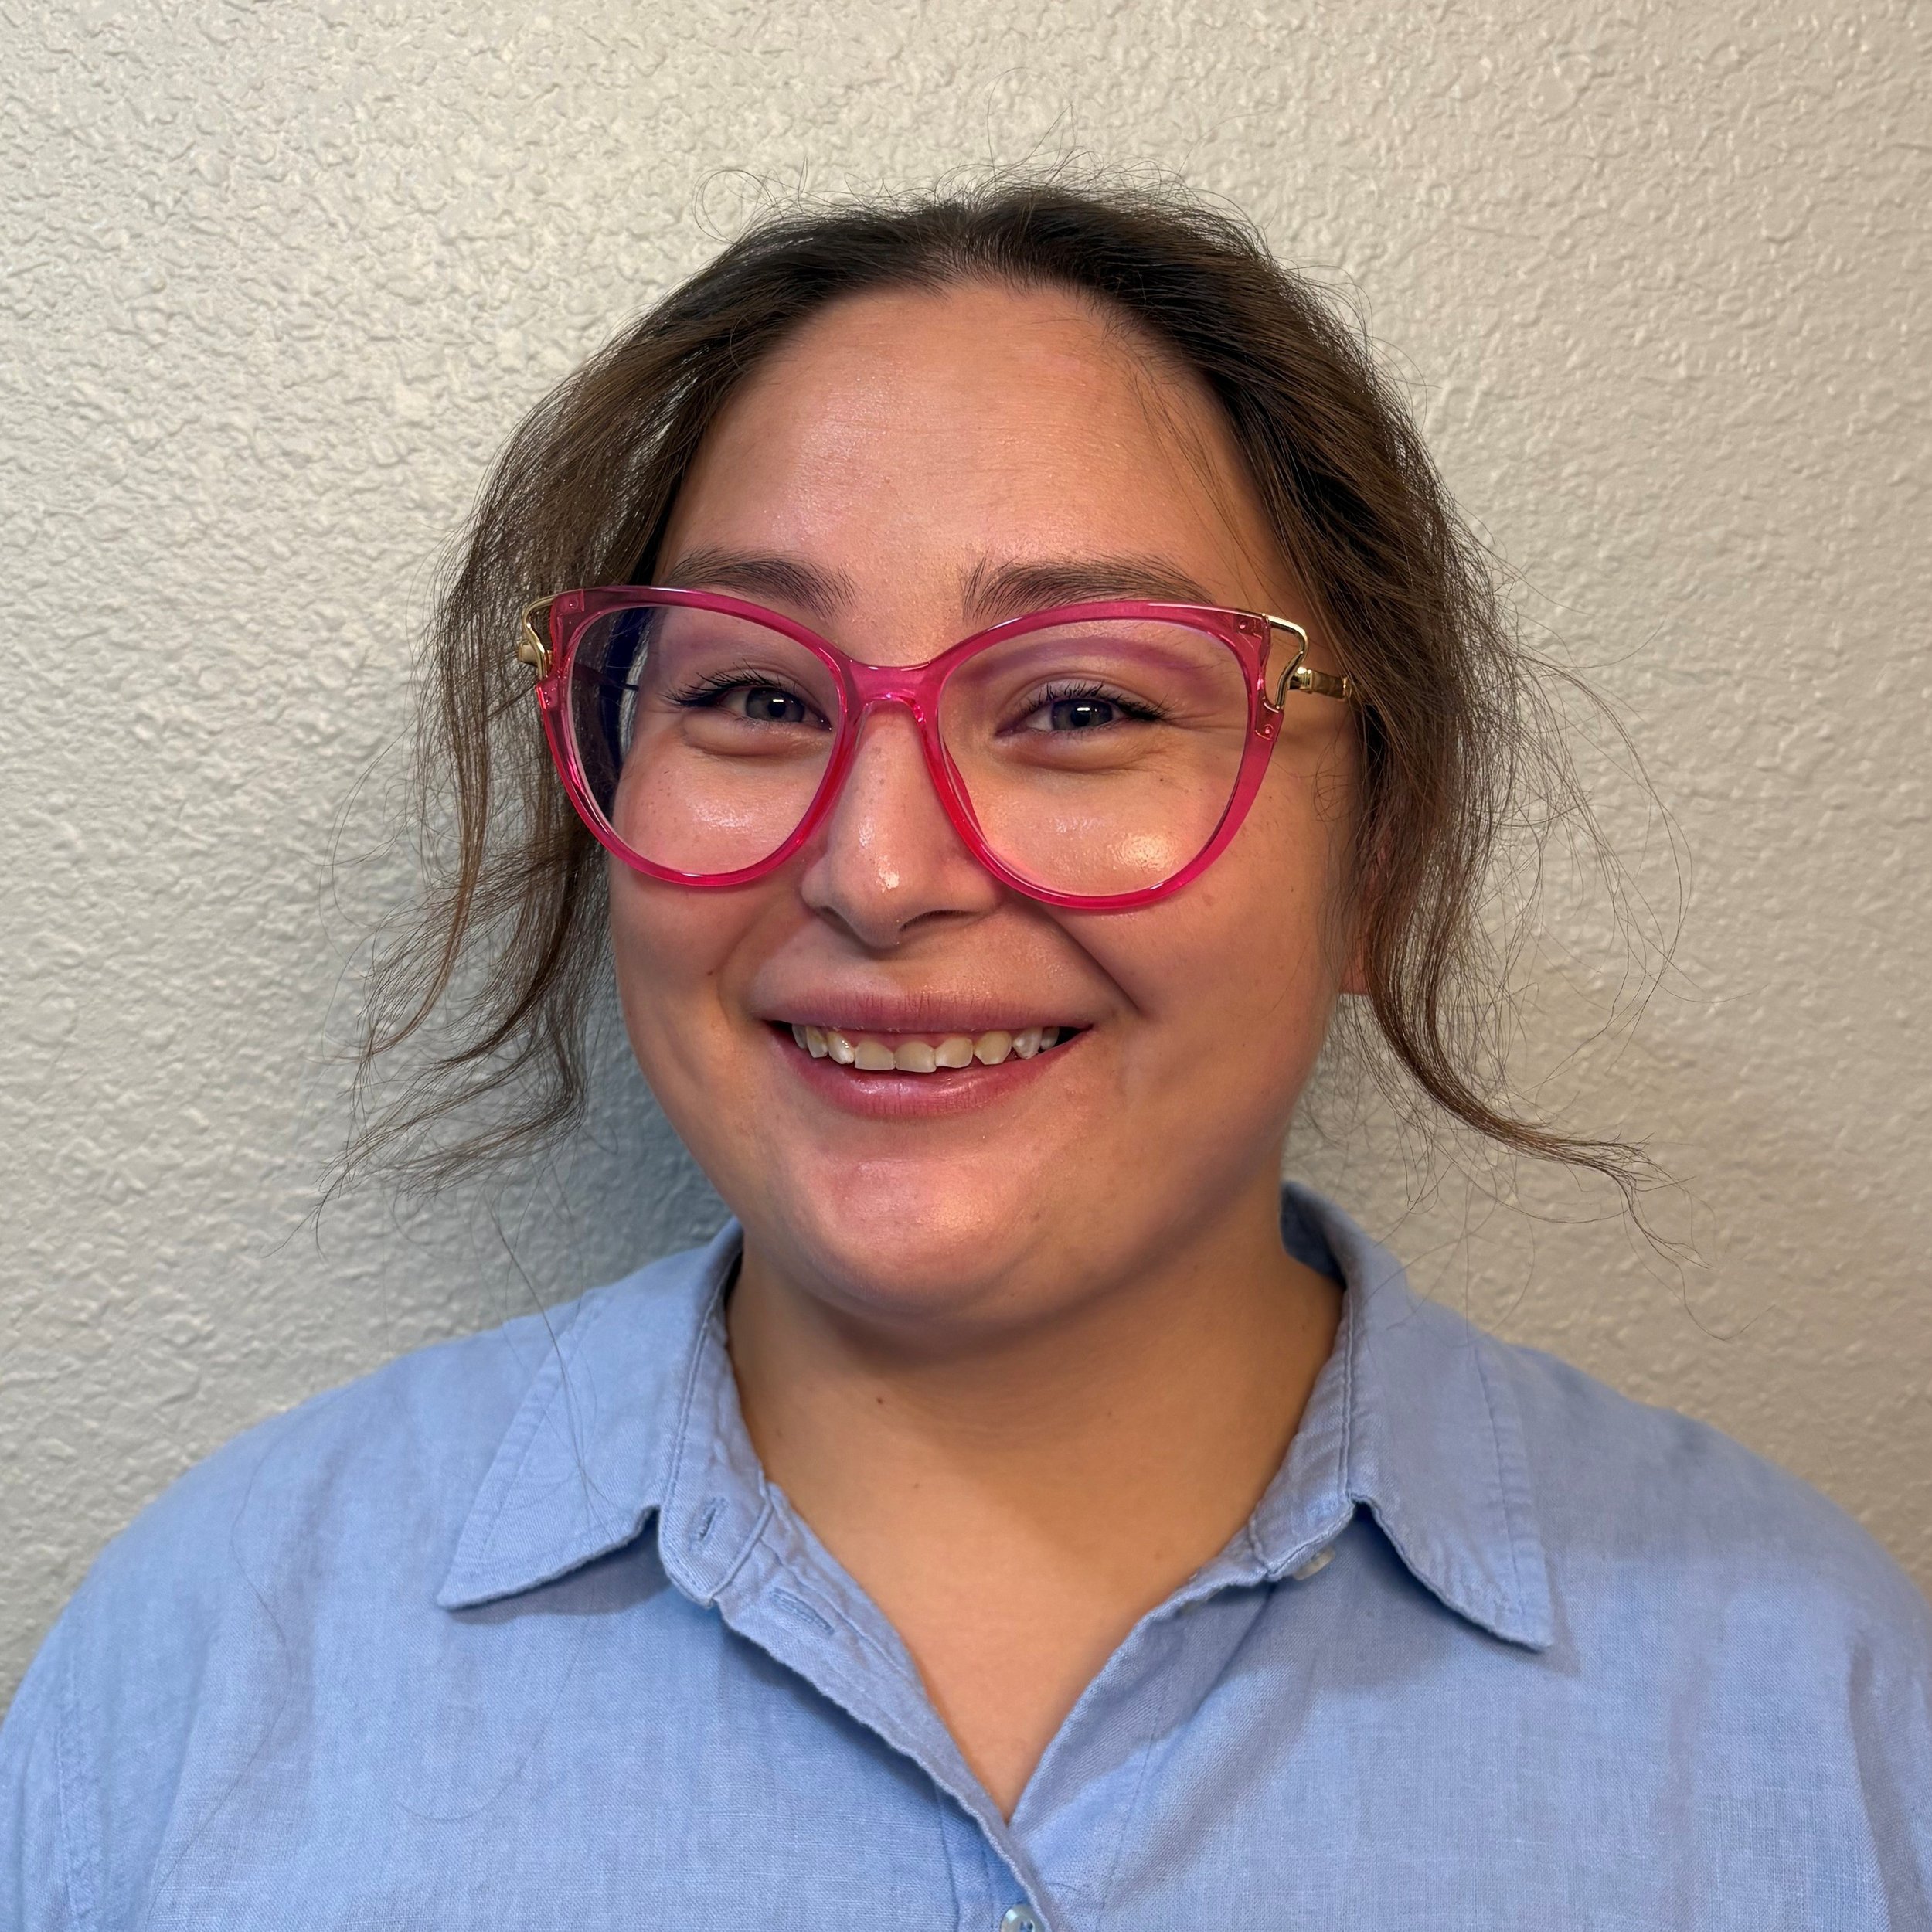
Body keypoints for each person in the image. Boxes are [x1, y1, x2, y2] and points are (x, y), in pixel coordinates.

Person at [2, 179, 1927, 1931]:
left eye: (1083, 703)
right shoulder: (204, 1667)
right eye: (754, 694)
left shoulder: (1815, 1713)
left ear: (1380, 861)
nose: (878, 867)